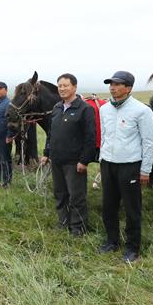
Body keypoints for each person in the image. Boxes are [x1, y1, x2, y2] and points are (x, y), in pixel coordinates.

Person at [98, 71, 153, 263]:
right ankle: (111, 241)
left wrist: (145, 170)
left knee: (132, 208)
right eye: (111, 84)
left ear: (128, 88)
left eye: (117, 84)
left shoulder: (142, 111)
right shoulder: (104, 109)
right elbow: (104, 136)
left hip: (129, 165)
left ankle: (133, 248)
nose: (112, 87)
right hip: (108, 164)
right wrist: (101, 161)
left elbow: (148, 142)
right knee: (108, 206)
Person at [40, 74, 96, 235]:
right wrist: (46, 153)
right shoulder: (57, 108)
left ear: (74, 87)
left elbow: (90, 138)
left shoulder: (85, 109)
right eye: (60, 86)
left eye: (65, 85)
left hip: (74, 162)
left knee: (76, 196)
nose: (62, 89)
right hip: (56, 160)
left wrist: (84, 161)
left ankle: (78, 227)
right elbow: (51, 133)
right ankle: (63, 221)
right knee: (60, 194)